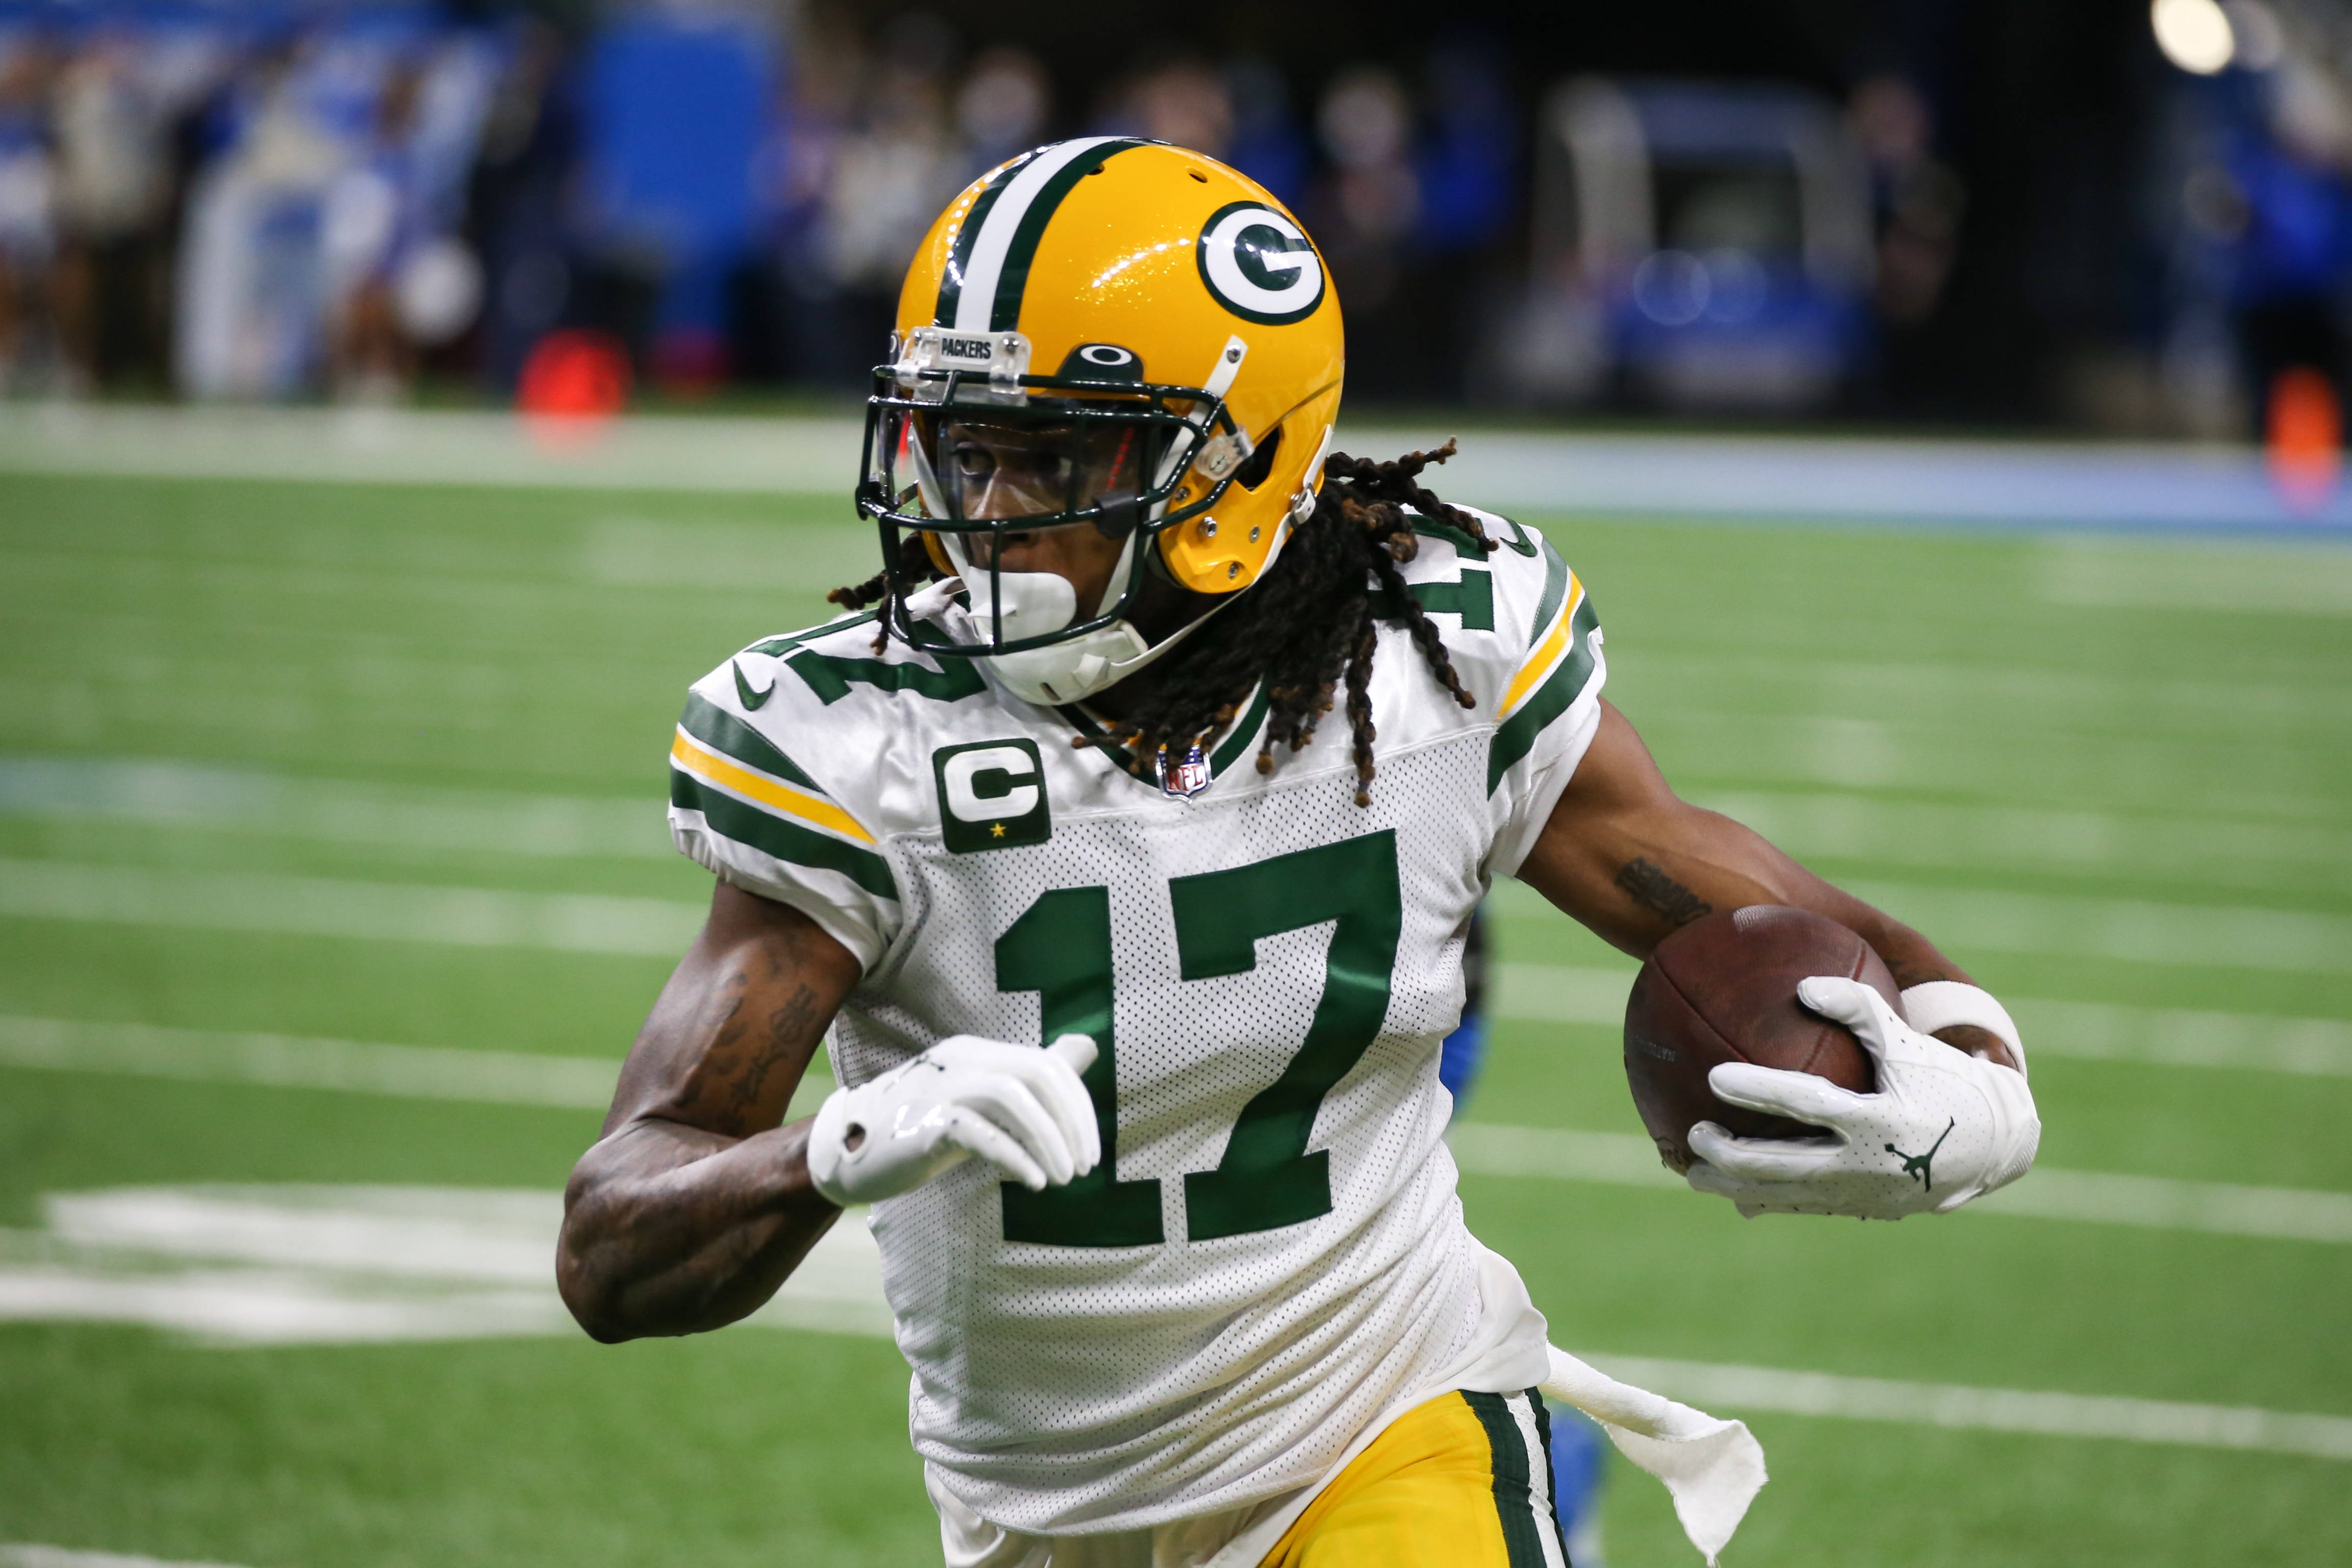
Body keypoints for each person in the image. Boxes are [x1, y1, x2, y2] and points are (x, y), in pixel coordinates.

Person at [557, 139, 2040, 1567]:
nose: (990, 519)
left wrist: (1973, 1060)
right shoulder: (859, 740)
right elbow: (612, 1256)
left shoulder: (1433, 657)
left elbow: (1758, 909)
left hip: (1389, 1414)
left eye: (1059, 457)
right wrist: (833, 1151)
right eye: (965, 450)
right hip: (1043, 1507)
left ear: (1239, 464)